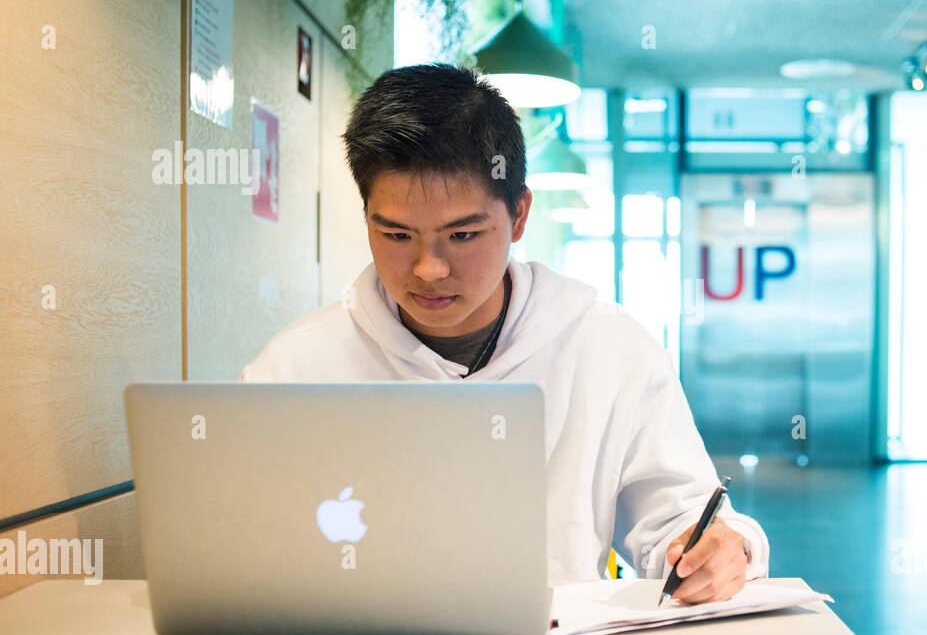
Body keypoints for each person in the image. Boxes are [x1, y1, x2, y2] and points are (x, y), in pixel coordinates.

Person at [239, 64, 770, 603]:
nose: (429, 268)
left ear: (519, 215)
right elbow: (237, 539)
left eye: (462, 234)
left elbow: (685, 519)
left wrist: (722, 551)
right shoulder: (295, 367)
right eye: (396, 233)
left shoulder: (608, 348)